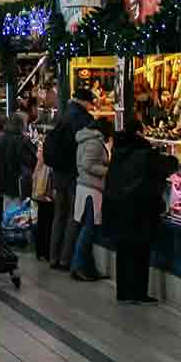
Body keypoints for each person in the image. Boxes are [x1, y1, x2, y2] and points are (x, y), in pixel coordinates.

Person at [102, 119, 179, 303]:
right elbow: (169, 166)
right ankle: (138, 292)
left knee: (124, 250)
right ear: (138, 133)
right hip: (140, 208)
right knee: (140, 251)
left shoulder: (117, 151)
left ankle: (123, 292)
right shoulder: (144, 153)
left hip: (118, 206)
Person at [45, 88, 95, 270]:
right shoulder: (83, 119)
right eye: (91, 102)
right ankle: (66, 258)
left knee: (59, 215)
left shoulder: (62, 115)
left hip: (58, 173)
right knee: (74, 216)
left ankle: (53, 257)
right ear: (85, 102)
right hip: (74, 174)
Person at [70, 117, 112, 281]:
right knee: (88, 229)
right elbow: (88, 164)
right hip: (91, 189)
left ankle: (87, 268)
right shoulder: (94, 142)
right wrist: (108, 169)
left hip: (85, 187)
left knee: (86, 229)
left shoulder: (85, 139)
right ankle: (78, 266)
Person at [0, 113, 36, 242]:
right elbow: (31, 161)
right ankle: (16, 237)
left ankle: (5, 234)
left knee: (7, 209)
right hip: (19, 183)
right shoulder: (23, 141)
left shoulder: (0, 141)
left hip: (2, 182)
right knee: (18, 210)